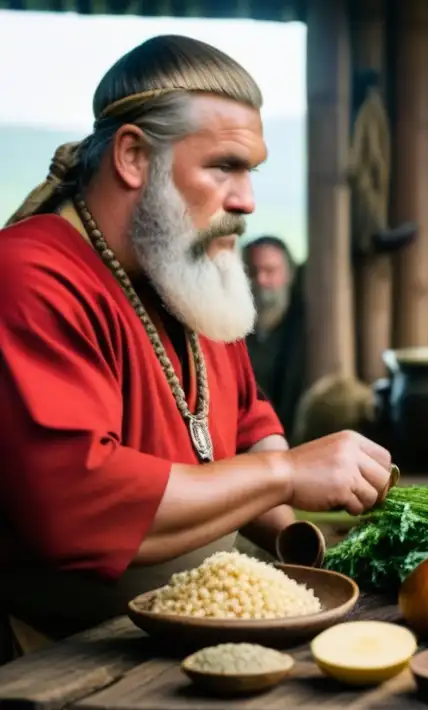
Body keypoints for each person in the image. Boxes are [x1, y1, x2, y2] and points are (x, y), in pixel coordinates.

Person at [0, 35, 393, 659]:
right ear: (133, 156)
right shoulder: (29, 275)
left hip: (201, 632)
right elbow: (79, 507)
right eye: (224, 166)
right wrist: (287, 473)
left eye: (251, 171)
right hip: (59, 656)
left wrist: (293, 538)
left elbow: (245, 422)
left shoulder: (184, 267)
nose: (247, 200)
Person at [243, 236, 307, 440]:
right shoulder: (231, 331)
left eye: (270, 271)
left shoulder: (307, 328)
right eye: (253, 272)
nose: (261, 280)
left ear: (289, 274)